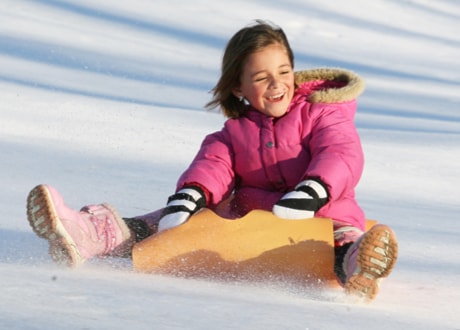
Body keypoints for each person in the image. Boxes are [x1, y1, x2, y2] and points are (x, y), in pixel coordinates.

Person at [26, 20, 398, 301]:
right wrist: (191, 195)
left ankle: (359, 266)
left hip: (324, 214)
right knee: (165, 223)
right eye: (262, 77)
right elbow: (213, 164)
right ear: (239, 87)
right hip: (248, 221)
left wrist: (314, 190)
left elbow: (341, 153)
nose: (277, 84)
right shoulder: (234, 132)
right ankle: (87, 234)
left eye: (284, 72)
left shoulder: (323, 114)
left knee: (342, 238)